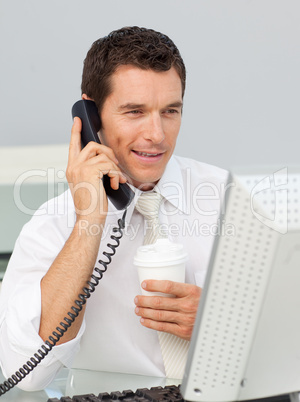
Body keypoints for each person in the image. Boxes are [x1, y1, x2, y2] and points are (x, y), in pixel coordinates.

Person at [0, 26, 228, 391]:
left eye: (170, 111)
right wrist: (90, 220)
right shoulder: (53, 225)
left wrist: (225, 324)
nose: (157, 134)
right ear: (91, 117)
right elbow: (28, 374)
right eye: (134, 111)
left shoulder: (226, 197)